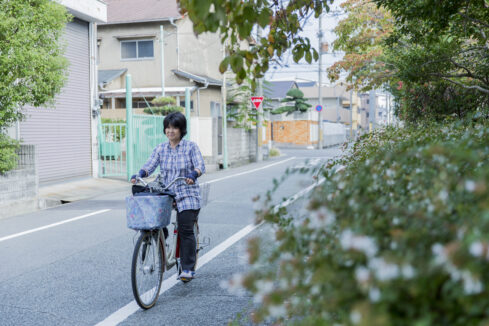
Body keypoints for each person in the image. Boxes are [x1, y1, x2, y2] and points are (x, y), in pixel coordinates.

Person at [131, 111, 205, 282]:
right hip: (167, 191)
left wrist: (193, 175)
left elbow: (200, 165)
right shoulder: (161, 148)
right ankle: (160, 234)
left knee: (186, 228)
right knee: (153, 218)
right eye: (168, 128)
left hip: (187, 193)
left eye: (174, 128)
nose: (170, 131)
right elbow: (150, 164)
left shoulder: (190, 147)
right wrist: (140, 173)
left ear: (181, 130)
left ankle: (187, 268)